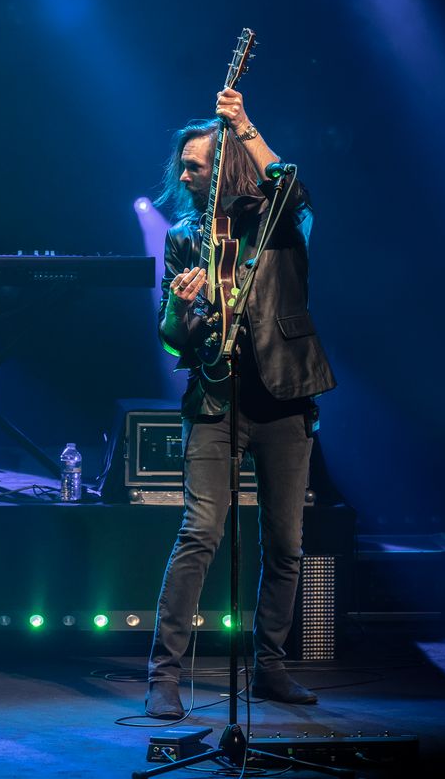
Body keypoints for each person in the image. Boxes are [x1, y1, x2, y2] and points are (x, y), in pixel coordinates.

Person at [145, 86, 336, 718]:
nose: (184, 175)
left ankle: (272, 668)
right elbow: (175, 334)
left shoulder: (276, 219)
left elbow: (291, 181)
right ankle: (164, 677)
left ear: (223, 165)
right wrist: (180, 303)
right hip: (217, 400)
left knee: (286, 544)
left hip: (284, 399)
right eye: (183, 165)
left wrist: (245, 124)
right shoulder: (183, 235)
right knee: (200, 533)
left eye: (195, 165)